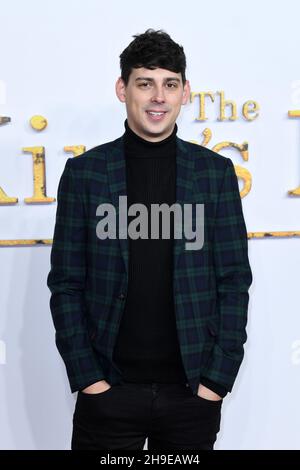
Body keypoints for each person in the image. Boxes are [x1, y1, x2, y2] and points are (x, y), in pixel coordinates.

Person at [47, 28, 252, 451]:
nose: (158, 96)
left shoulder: (214, 174)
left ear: (184, 92)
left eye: (169, 84)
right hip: (109, 391)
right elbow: (66, 283)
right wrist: (88, 377)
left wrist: (217, 379)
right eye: (145, 83)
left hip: (191, 394)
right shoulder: (85, 173)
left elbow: (233, 281)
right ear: (123, 90)